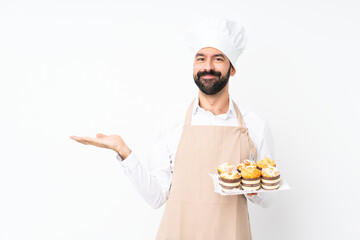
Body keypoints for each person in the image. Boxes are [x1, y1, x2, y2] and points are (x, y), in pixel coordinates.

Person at [70, 17, 276, 240]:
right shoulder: (171, 121)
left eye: (218, 58)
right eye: (200, 59)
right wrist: (123, 150)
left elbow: (268, 199)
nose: (208, 67)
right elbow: (157, 196)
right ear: (194, 65)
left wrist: (254, 188)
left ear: (232, 68)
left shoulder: (254, 125)